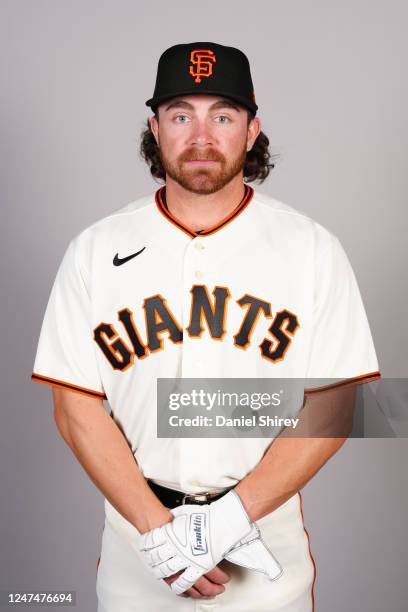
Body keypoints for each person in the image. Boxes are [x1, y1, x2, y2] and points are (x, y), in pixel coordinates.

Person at [31, 42, 381, 611]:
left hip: (265, 549)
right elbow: (75, 408)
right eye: (180, 115)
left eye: (222, 115)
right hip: (137, 550)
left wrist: (231, 517)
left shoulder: (311, 248)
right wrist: (156, 532)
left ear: (251, 129)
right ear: (156, 127)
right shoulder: (95, 250)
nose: (201, 135)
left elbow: (336, 405)